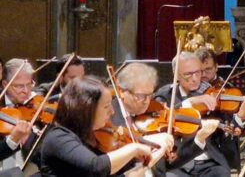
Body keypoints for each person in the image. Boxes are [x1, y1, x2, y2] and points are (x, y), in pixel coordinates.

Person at [39, 76, 170, 177]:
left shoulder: (89, 136)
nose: (112, 112)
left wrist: (149, 161)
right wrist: (134, 148)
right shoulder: (58, 137)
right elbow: (97, 167)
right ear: (86, 108)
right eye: (106, 106)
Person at [114, 63, 219, 176]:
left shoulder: (151, 117)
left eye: (150, 95)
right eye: (141, 96)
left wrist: (199, 138)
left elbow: (170, 162)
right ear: (121, 91)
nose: (147, 101)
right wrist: (148, 142)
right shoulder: (109, 118)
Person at [153, 52, 231, 177]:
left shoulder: (209, 93)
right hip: (177, 163)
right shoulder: (165, 95)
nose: (195, 78)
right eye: (188, 74)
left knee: (222, 174)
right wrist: (189, 102)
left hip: (208, 162)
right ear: (176, 76)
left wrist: (241, 114)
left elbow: (227, 126)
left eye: (198, 72)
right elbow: (160, 117)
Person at [194, 47, 245, 170]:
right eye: (199, 71)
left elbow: (236, 130)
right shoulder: (189, 90)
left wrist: (243, 114)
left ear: (216, 67)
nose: (203, 75)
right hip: (193, 152)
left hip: (221, 150)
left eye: (208, 70)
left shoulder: (229, 91)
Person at [0, 59, 34, 175]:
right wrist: (13, 139)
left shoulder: (34, 104)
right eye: (19, 86)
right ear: (5, 84)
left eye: (29, 84)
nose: (26, 91)